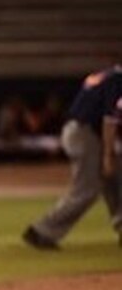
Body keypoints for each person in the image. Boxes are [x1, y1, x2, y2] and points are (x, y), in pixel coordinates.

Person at [23, 65, 122, 250]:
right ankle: (41, 231)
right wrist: (108, 155)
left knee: (115, 177)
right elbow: (110, 120)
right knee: (88, 189)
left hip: (81, 131)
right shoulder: (118, 80)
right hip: (85, 134)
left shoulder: (107, 75)